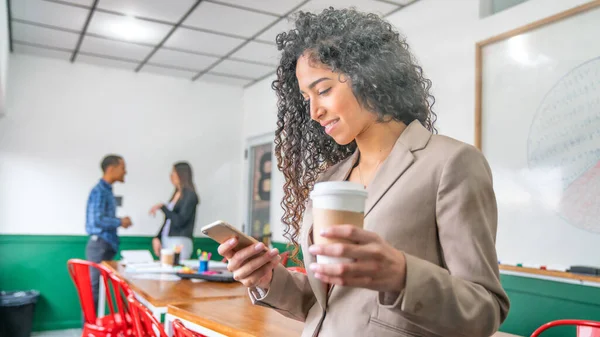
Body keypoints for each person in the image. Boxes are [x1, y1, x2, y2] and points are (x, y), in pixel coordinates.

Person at [218, 8, 510, 337]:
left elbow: (484, 310)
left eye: (324, 90)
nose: (314, 112)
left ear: (370, 75)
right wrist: (268, 279)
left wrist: (402, 276)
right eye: (306, 98)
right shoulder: (330, 180)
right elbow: (329, 304)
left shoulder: (451, 163)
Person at [85, 154, 132, 311]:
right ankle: (91, 330)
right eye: (123, 168)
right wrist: (120, 222)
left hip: (105, 246)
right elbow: (97, 220)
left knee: (102, 289)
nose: (125, 172)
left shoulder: (107, 191)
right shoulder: (99, 191)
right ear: (111, 169)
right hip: (99, 246)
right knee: (95, 290)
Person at [150, 162, 199, 260]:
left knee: (176, 270)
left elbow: (180, 221)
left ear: (181, 174)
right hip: (166, 239)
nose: (171, 176)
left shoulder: (190, 195)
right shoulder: (176, 194)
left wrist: (163, 208)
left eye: (173, 172)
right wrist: (157, 237)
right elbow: (168, 220)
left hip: (180, 240)